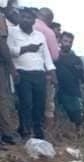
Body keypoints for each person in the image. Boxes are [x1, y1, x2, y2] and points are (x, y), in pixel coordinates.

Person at [8, 9, 56, 140]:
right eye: (23, 17)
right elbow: (9, 50)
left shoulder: (39, 35)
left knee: (39, 104)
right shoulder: (12, 31)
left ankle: (38, 132)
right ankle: (25, 131)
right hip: (22, 73)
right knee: (26, 103)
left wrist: (53, 74)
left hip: (39, 74)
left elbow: (46, 56)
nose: (25, 19)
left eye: (28, 18)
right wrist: (26, 48)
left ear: (34, 21)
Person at [33, 8, 58, 130]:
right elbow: (54, 56)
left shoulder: (22, 26)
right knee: (48, 105)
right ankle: (47, 132)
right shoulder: (48, 32)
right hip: (45, 74)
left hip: (22, 71)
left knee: (28, 102)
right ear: (49, 19)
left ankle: (27, 130)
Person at [55, 32, 84, 131]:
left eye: (70, 42)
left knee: (77, 118)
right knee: (58, 116)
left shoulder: (76, 59)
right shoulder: (55, 56)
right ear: (60, 41)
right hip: (57, 91)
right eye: (65, 41)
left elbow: (81, 76)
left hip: (73, 93)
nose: (67, 44)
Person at [0, 3, 17, 146]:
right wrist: (11, 66)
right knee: (2, 99)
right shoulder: (0, 18)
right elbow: (2, 43)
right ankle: (6, 134)